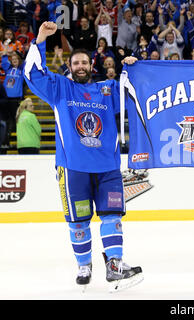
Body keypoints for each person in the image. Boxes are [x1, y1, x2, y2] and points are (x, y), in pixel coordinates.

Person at [24, 21, 143, 292]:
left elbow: (137, 92)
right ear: (70, 67)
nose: (80, 66)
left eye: (84, 63)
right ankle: (84, 264)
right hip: (73, 168)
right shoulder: (60, 89)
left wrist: (135, 68)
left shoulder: (107, 89)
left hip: (108, 168)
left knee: (112, 216)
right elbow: (32, 73)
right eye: (75, 63)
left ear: (91, 66)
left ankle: (114, 265)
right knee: (78, 221)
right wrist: (41, 38)